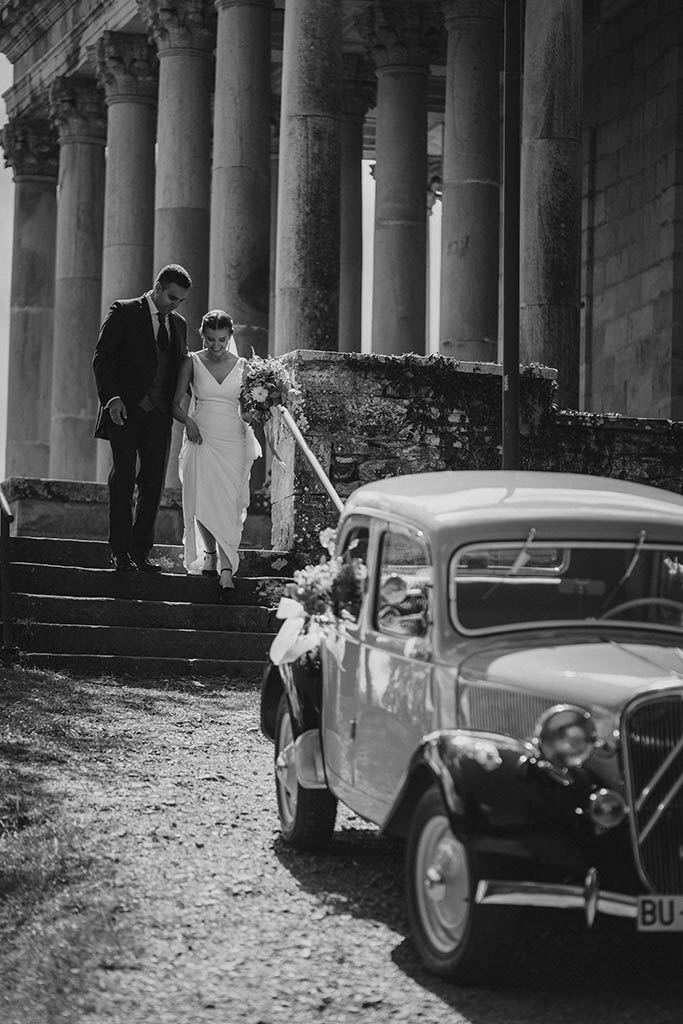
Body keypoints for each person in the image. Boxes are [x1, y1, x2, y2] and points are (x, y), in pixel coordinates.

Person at [93, 264, 192, 572]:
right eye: (172, 297)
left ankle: (140, 551)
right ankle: (119, 552)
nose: (175, 305)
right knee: (122, 480)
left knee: (153, 484)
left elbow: (181, 367)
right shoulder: (124, 311)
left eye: (180, 300)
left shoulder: (179, 324)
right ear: (158, 287)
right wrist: (112, 399)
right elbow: (102, 358)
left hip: (159, 416)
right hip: (125, 411)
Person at [172, 309, 261, 600]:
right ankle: (212, 557)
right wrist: (189, 422)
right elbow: (175, 404)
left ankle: (225, 566)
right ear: (202, 336)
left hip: (232, 439)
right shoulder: (192, 361)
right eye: (210, 339)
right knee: (201, 500)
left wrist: (262, 406)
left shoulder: (244, 365)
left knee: (228, 503)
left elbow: (247, 413)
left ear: (230, 336)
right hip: (201, 436)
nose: (216, 345)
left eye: (222, 339)